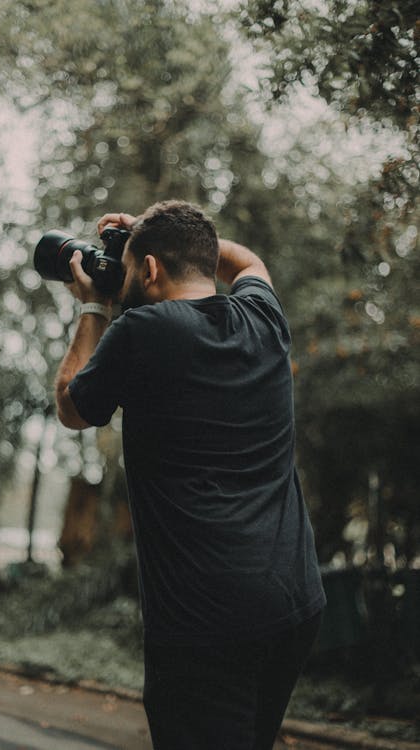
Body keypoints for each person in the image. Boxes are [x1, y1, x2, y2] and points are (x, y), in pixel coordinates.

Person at [55, 200, 326, 750]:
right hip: (292, 603)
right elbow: (247, 262)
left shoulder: (144, 330)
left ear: (150, 270)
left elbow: (73, 407)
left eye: (130, 266)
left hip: (206, 621)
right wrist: (152, 236)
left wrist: (91, 308)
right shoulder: (262, 317)